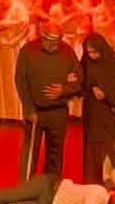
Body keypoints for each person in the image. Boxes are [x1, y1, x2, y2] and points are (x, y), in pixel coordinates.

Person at [15, 14, 81, 180]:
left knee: (56, 152)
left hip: (59, 111)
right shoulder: (28, 51)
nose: (53, 45)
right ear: (42, 36)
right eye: (49, 41)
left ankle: (51, 186)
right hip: (36, 111)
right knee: (31, 151)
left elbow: (79, 79)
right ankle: (26, 186)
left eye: (56, 42)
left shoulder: (67, 51)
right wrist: (28, 109)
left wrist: (64, 89)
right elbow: (20, 81)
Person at [78, 28, 115, 183]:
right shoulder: (86, 62)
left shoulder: (113, 63)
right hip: (92, 112)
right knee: (93, 147)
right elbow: (81, 82)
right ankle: (92, 182)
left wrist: (107, 94)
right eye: (89, 52)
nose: (92, 56)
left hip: (109, 113)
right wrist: (90, 88)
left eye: (95, 52)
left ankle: (110, 182)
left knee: (109, 146)